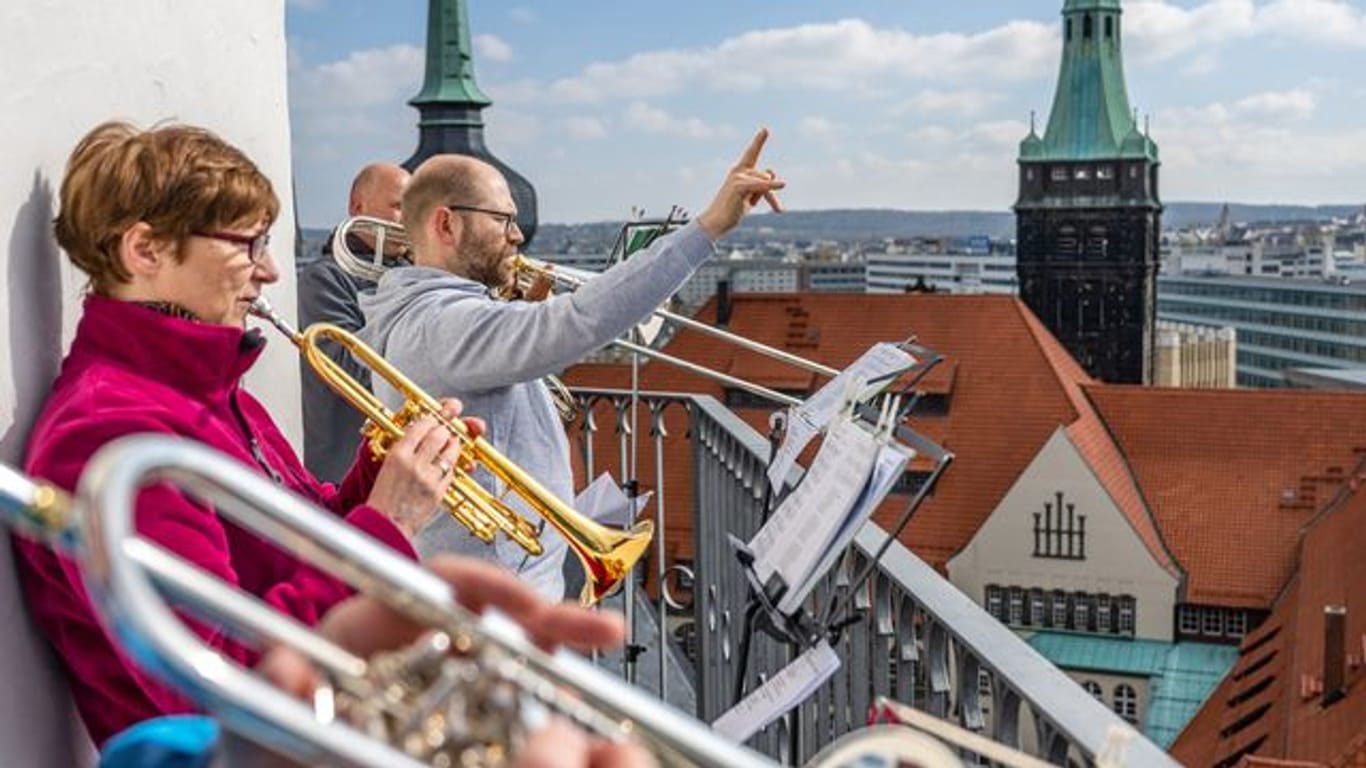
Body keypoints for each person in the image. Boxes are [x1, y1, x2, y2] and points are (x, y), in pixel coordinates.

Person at [14, 120, 469, 747]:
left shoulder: (208, 392)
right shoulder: (109, 435)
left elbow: (296, 551)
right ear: (144, 251)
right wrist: (386, 526)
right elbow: (219, 679)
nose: (272, 271)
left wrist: (375, 481)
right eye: (249, 244)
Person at [359, 129, 784, 601]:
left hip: (505, 578)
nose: (517, 236)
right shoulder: (440, 324)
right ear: (446, 225)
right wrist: (707, 229)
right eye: (503, 220)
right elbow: (578, 320)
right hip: (498, 595)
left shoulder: (432, 314)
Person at [297, 162, 409, 483]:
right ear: (358, 207)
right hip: (346, 474)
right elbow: (349, 373)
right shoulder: (325, 278)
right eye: (400, 206)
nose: (411, 220)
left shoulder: (405, 276)